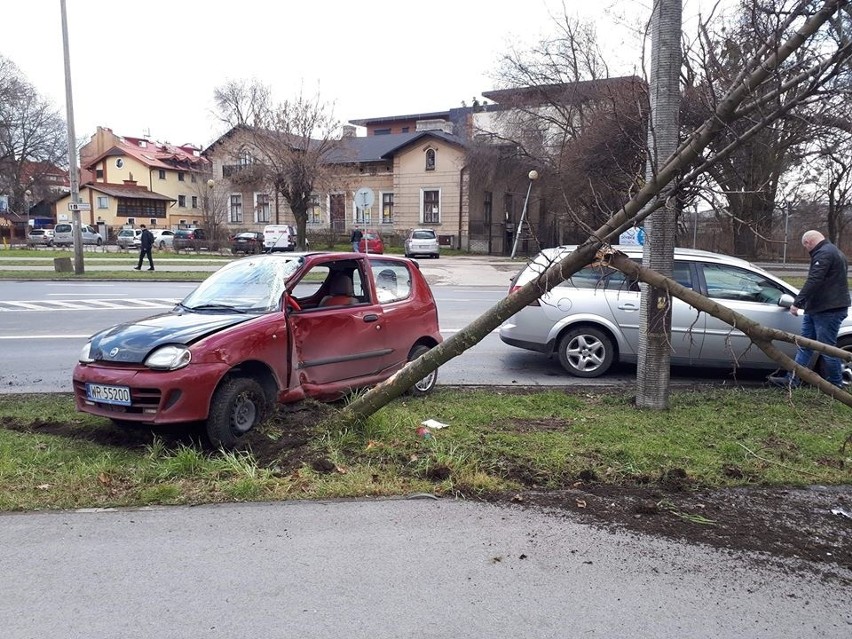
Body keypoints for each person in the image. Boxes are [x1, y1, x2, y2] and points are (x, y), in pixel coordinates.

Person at [768, 230, 850, 388]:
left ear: (808, 243)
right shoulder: (834, 251)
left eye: (805, 247)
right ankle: (792, 380)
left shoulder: (824, 253)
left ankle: (836, 385)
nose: (807, 250)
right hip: (819, 308)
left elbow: (815, 280)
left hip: (828, 310)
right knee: (805, 345)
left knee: (827, 349)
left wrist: (797, 302)